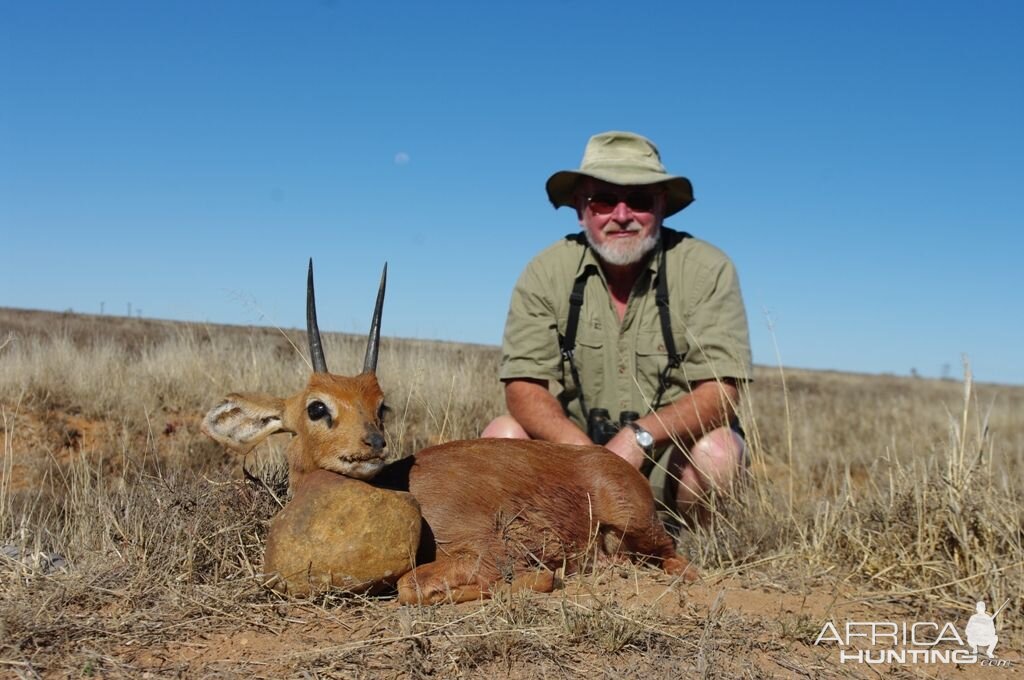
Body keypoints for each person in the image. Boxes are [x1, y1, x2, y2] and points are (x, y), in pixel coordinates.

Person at [482, 131, 752, 527]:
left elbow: (721, 394)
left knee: (720, 453)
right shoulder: (545, 271)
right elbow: (523, 388)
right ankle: (536, 546)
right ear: (580, 208)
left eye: (639, 200)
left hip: (666, 466)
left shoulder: (708, 270)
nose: (621, 214)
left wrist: (638, 437)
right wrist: (589, 457)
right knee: (500, 435)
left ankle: (693, 551)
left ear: (661, 206)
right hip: (573, 463)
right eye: (603, 200)